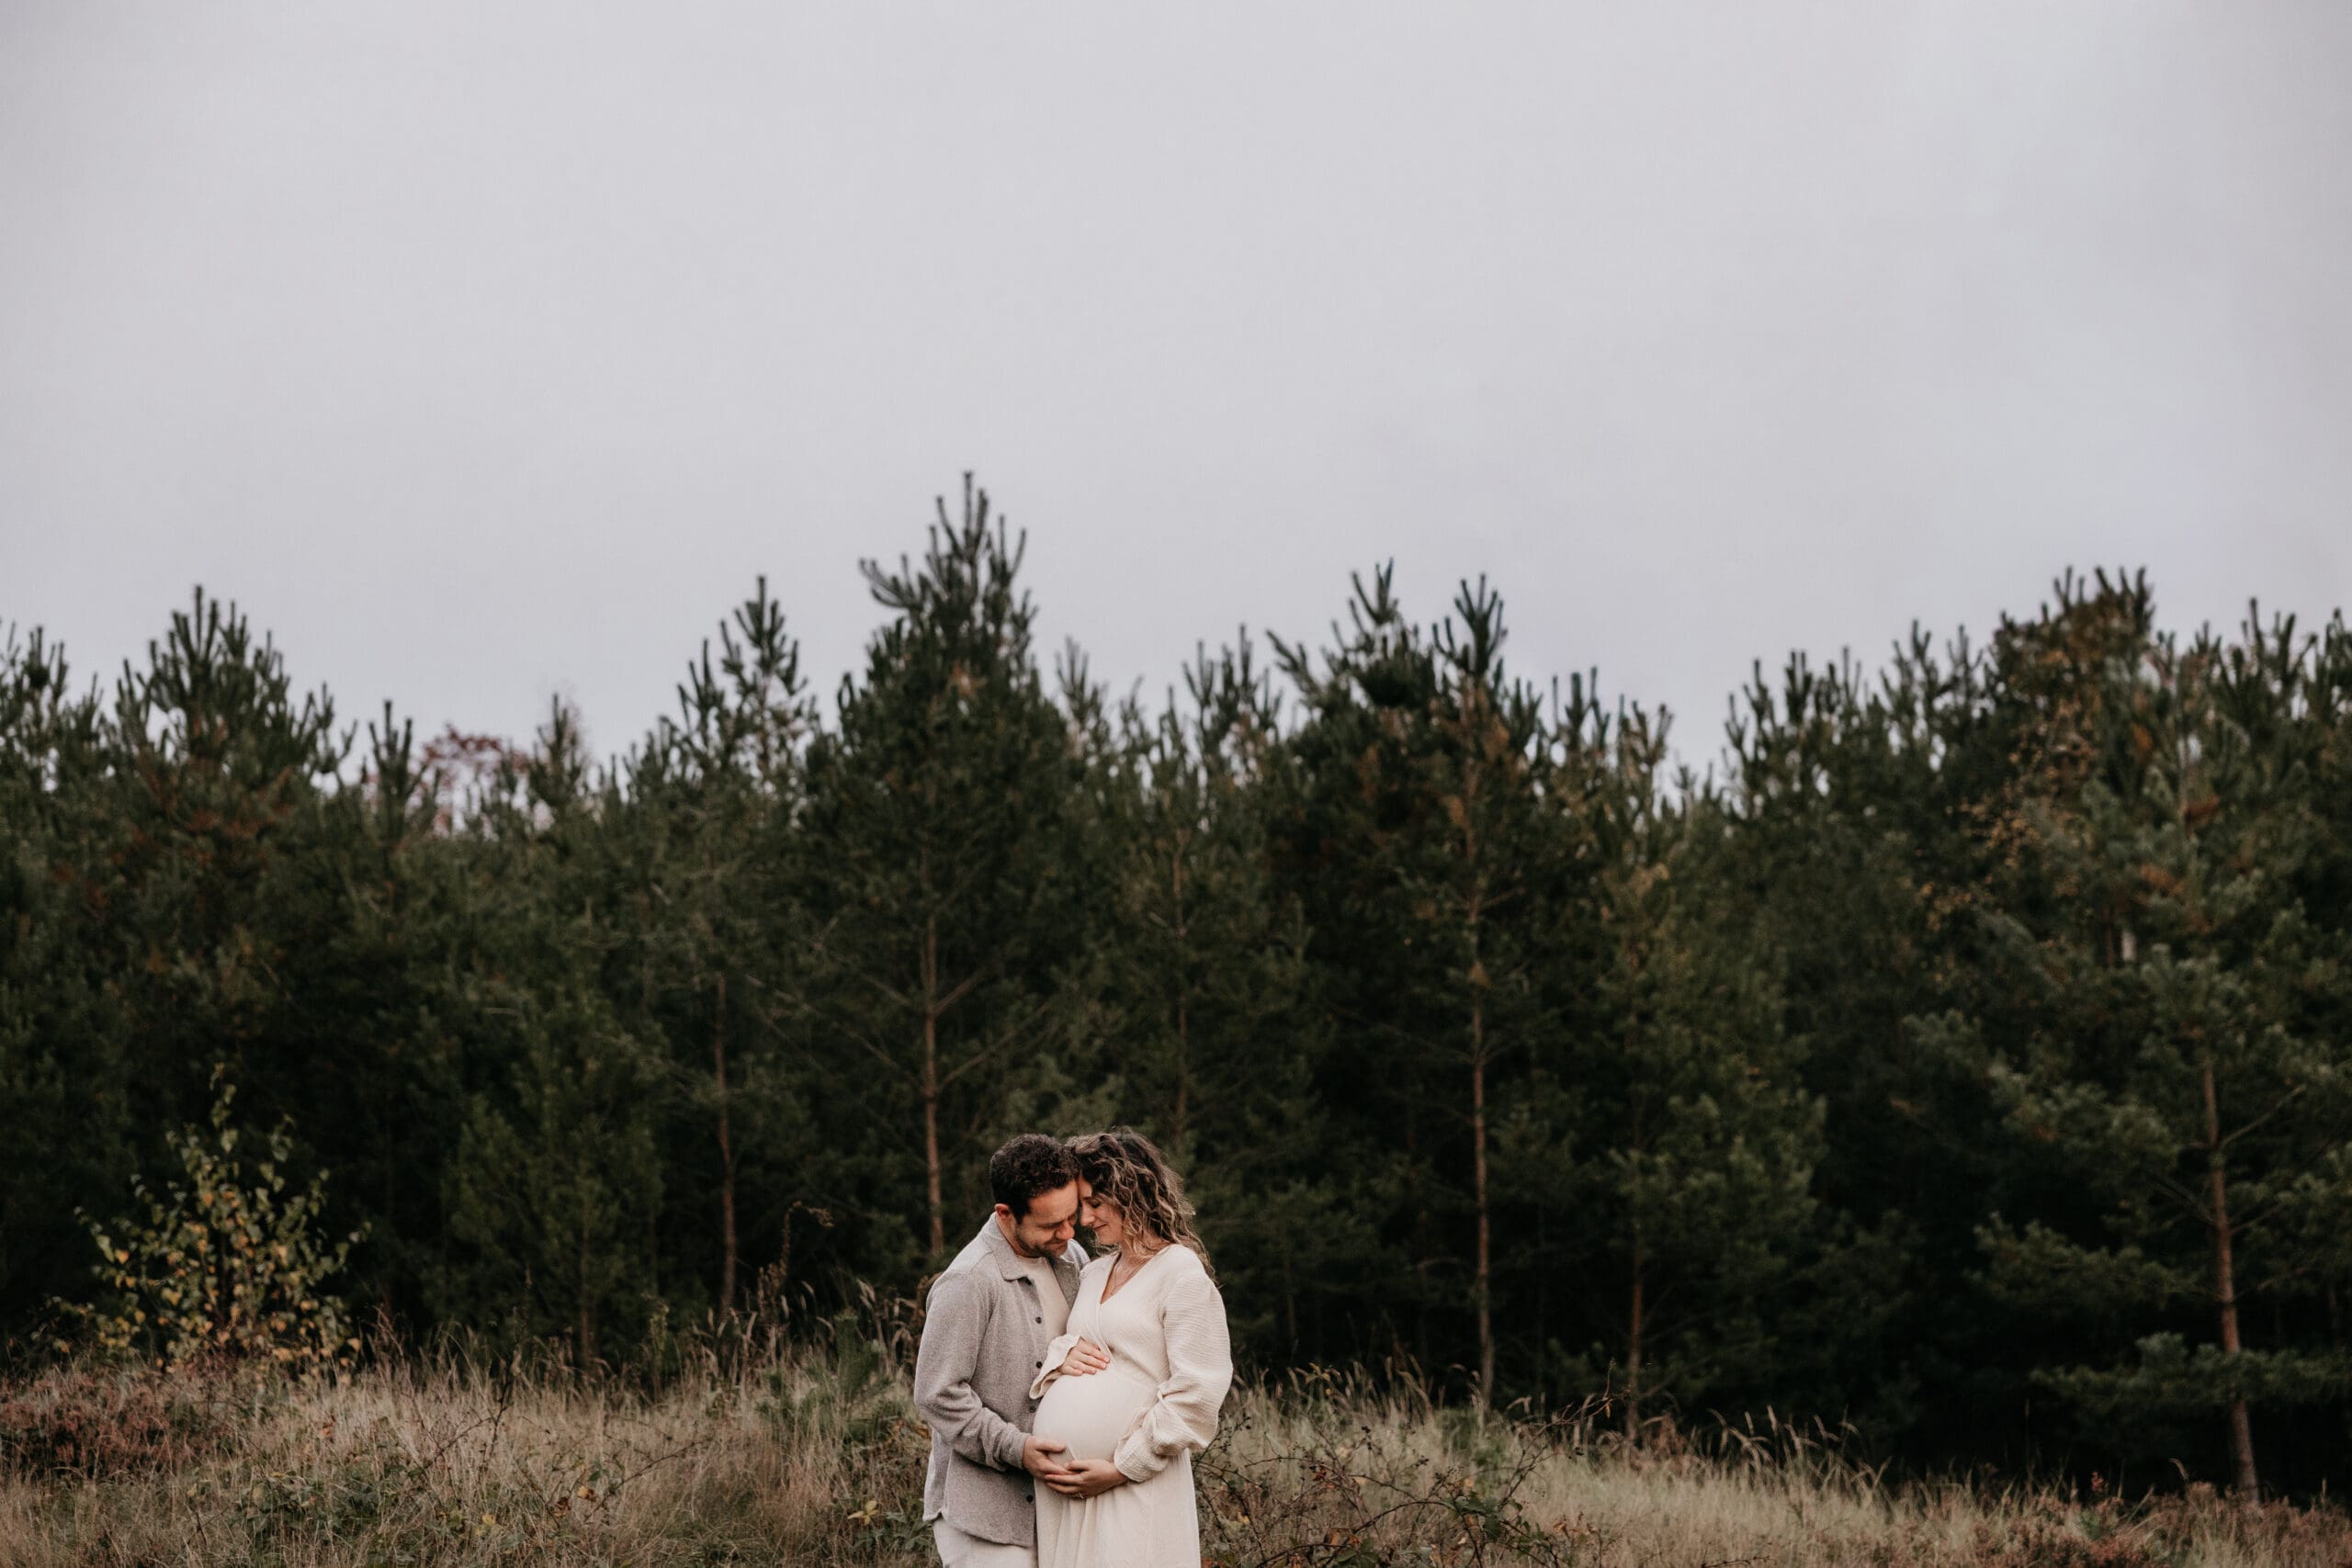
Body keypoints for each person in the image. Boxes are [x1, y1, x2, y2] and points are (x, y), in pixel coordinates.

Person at [1029, 1129, 1234, 1568]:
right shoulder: (1096, 1271)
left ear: (1132, 1193)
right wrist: (1062, 1355)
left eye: (1095, 1204)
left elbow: (1198, 1393)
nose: (1085, 1220)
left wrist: (1122, 1467)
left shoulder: (1180, 1273)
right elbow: (1071, 1341)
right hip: (1070, 1496)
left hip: (1133, 1484)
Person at [913, 1134, 1092, 1568]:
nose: (1067, 1233)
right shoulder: (969, 1281)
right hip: (986, 1517)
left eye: (1072, 1217)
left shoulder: (1074, 1259)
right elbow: (936, 1394)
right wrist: (1016, 1448)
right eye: (1051, 1224)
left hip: (1055, 1511)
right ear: (1006, 1214)